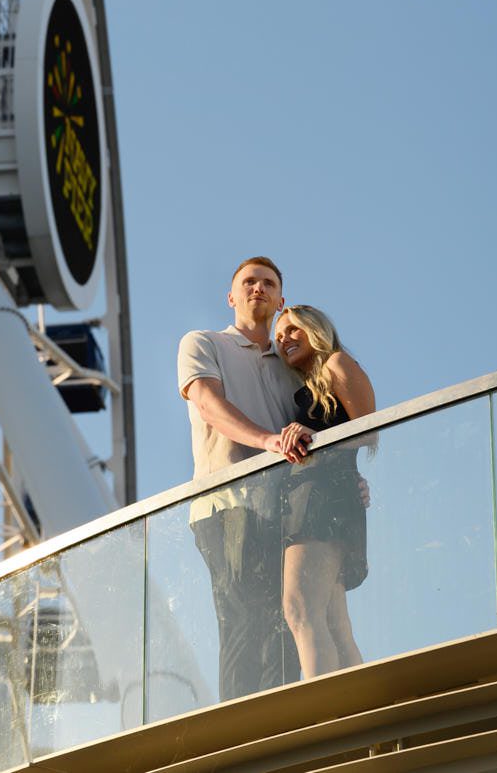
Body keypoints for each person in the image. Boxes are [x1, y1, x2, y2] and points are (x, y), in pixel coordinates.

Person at [177, 256, 313, 698]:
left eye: (268, 283)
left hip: (288, 513)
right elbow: (209, 406)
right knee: (242, 621)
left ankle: (285, 735)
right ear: (231, 296)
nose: (259, 288)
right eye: (249, 282)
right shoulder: (203, 343)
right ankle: (243, 739)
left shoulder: (293, 366)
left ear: (281, 300)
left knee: (289, 625)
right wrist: (268, 440)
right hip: (227, 505)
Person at [274, 304, 375, 679]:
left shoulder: (337, 363)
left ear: (315, 329)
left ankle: (324, 718)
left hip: (324, 500)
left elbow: (370, 429)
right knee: (333, 622)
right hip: (323, 497)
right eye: (279, 335)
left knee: (300, 609)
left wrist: (315, 439)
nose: (284, 339)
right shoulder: (312, 384)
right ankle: (356, 718)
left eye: (293, 330)